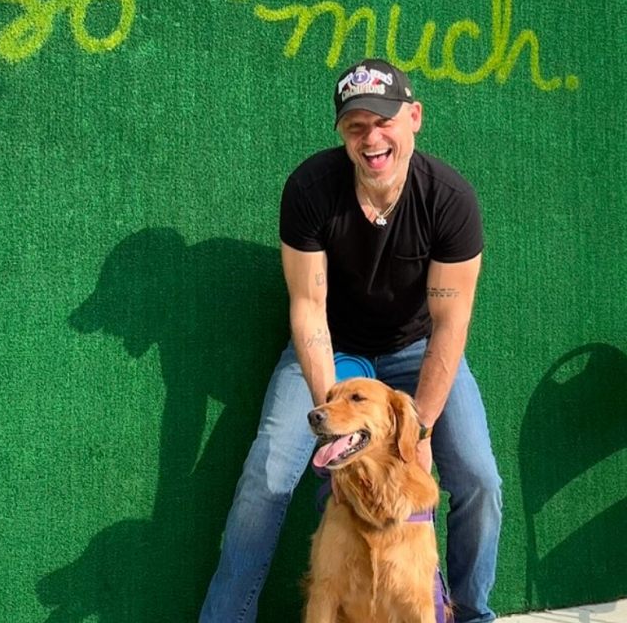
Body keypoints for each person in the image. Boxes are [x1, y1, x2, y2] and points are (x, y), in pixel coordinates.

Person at [199, 58, 502, 623]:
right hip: (333, 349)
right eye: (355, 125)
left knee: (479, 477)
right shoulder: (311, 188)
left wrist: (420, 428)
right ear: (341, 132)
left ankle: (471, 615)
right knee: (265, 476)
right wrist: (334, 410)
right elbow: (309, 309)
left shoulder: (450, 200)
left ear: (414, 117)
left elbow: (451, 325)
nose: (371, 138)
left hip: (418, 350)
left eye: (384, 121)